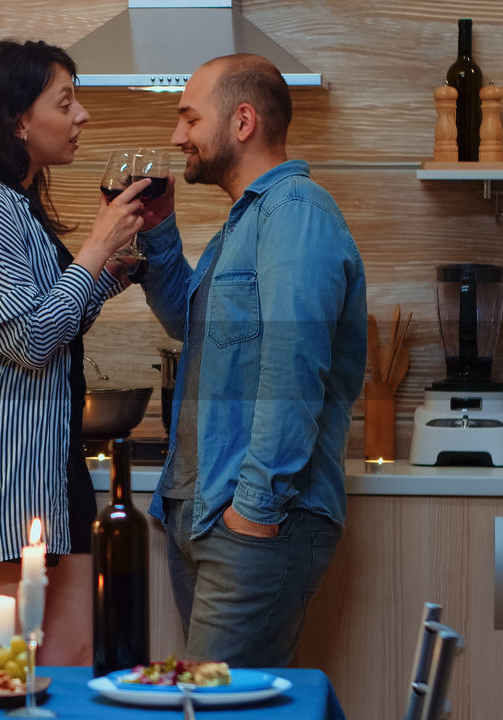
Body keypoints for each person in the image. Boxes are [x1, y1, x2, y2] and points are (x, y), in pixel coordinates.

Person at [0, 39, 150, 660]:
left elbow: (54, 318)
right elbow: (33, 340)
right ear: (18, 118)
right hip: (2, 478)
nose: (82, 116)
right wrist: (96, 248)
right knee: (1, 669)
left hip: (47, 465)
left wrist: (115, 268)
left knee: (58, 662)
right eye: (65, 102)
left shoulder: (16, 203)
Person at [135, 53, 367, 667]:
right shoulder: (243, 223)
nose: (177, 135)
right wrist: (159, 231)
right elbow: (190, 321)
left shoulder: (296, 212)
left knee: (218, 712)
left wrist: (255, 512)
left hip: (255, 522)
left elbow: (295, 369)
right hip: (207, 515)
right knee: (213, 703)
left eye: (189, 117)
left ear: (242, 122)